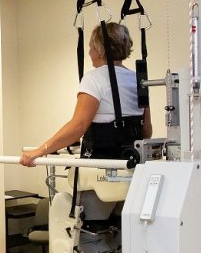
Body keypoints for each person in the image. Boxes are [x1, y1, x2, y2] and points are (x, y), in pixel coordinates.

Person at [20, 22, 152, 167]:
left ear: (100, 49)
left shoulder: (94, 78)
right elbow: (146, 131)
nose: (89, 53)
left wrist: (40, 150)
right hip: (132, 163)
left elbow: (78, 126)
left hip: (101, 168)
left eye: (91, 47)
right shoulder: (138, 79)